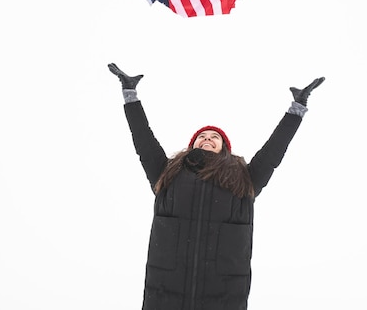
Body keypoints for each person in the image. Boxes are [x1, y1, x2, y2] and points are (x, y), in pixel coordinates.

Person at [107, 62, 325, 310]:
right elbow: (143, 140)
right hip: (166, 289)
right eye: (202, 136)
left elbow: (274, 151)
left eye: (214, 137)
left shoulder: (244, 179)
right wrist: (130, 96)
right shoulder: (167, 173)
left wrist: (296, 109)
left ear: (224, 147)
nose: (207, 139)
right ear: (192, 145)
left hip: (223, 294)